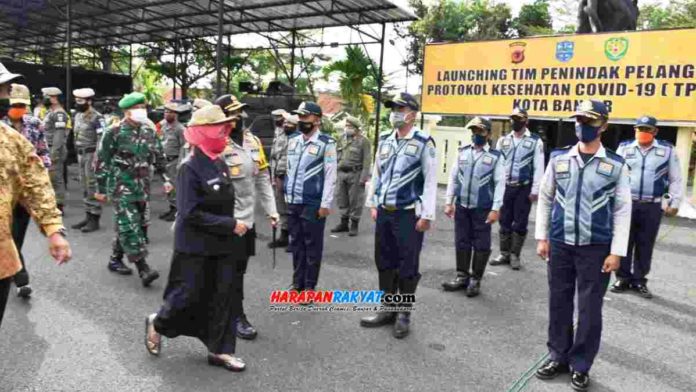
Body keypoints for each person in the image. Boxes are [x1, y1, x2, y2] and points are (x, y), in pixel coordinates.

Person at [534, 100, 631, 391]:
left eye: (588, 121)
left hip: (596, 247)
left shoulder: (615, 164)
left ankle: (580, 364)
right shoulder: (559, 158)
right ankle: (558, 357)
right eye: (578, 120)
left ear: (603, 126)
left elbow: (622, 209)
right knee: (559, 302)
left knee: (589, 309)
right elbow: (546, 197)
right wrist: (542, 237)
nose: (582, 126)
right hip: (561, 243)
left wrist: (617, 251)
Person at [144, 104, 246, 372]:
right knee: (187, 295)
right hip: (194, 245)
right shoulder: (189, 167)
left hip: (222, 244)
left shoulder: (219, 161)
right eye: (218, 127)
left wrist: (232, 226)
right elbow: (189, 213)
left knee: (224, 296)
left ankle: (220, 351)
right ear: (202, 132)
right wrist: (230, 224)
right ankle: (158, 323)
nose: (224, 132)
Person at [0, 62, 71, 329]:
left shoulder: (11, 139)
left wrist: (53, 230)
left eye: (6, 90)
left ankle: (21, 277)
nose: (5, 97)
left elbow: (35, 183)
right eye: (2, 90)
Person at [360, 92, 437, 339]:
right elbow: (378, 173)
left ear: (412, 114)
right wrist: (373, 203)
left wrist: (427, 215)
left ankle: (403, 313)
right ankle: (387, 308)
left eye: (399, 108)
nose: (394, 112)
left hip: (408, 215)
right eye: (393, 108)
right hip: (384, 212)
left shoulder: (424, 142)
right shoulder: (384, 140)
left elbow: (430, 181)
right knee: (384, 261)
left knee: (407, 264)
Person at [217, 94, 279, 340]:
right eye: (234, 112)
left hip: (247, 221)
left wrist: (271, 210)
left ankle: (230, 310)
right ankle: (235, 315)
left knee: (238, 270)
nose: (240, 116)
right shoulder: (216, 145)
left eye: (241, 111)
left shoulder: (252, 142)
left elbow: (262, 178)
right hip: (225, 221)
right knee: (227, 270)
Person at [95, 92, 171, 286]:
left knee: (138, 223)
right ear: (127, 112)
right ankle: (143, 268)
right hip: (121, 185)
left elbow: (158, 155)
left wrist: (166, 178)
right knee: (129, 224)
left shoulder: (149, 130)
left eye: (143, 108)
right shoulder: (114, 131)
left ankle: (115, 258)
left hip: (142, 186)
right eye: (137, 108)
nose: (142, 111)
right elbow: (102, 160)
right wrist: (101, 188)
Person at [612, 115, 682, 299]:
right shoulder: (624, 148)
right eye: (640, 129)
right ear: (635, 129)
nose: (643, 132)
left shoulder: (667, 150)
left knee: (645, 244)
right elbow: (615, 176)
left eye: (647, 129)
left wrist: (675, 202)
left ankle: (639, 280)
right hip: (628, 203)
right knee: (624, 242)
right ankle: (622, 278)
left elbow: (676, 179)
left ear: (655, 131)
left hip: (652, 205)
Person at [442, 117, 505, 297]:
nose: (476, 134)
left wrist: (495, 209)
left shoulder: (495, 157)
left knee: (481, 244)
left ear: (488, 134)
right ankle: (462, 276)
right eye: (474, 131)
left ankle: (475, 279)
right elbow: (453, 177)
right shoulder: (462, 152)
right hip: (462, 205)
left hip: (482, 208)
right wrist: (449, 202)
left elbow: (500, 184)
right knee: (461, 240)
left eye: (480, 131)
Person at [2, 83, 53, 299]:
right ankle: (21, 278)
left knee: (16, 237)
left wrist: (42, 172)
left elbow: (44, 151)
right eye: (15, 104)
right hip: (6, 193)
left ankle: (13, 271)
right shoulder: (2, 125)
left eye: (22, 105)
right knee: (7, 236)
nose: (18, 108)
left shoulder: (35, 123)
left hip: (26, 194)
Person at [285, 101, 337, 292]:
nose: (301, 120)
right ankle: (297, 283)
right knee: (296, 244)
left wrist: (325, 203)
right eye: (299, 116)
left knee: (312, 247)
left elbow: (331, 174)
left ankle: (309, 286)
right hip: (294, 201)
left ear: (316, 119)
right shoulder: (294, 141)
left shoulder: (326, 143)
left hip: (313, 202)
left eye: (305, 117)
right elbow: (290, 170)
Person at [490, 107, 545, 270]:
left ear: (526, 121)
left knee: (520, 222)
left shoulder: (535, 141)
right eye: (513, 118)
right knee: (504, 219)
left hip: (524, 188)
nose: (515, 122)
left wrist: (535, 190)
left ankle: (515, 255)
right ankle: (504, 253)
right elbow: (497, 165)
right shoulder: (503, 140)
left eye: (519, 119)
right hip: (506, 187)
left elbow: (538, 166)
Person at [71, 88, 106, 233]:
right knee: (84, 185)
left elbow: (101, 139)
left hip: (92, 155)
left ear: (89, 101)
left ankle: (95, 218)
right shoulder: (78, 115)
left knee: (92, 185)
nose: (77, 103)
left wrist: (97, 158)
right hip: (80, 154)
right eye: (76, 100)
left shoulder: (97, 117)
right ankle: (88, 215)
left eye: (80, 101)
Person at [331, 115, 372, 237]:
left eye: (349, 126)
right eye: (346, 126)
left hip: (356, 173)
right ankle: (344, 223)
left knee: (355, 200)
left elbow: (367, 160)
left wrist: (364, 177)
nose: (347, 128)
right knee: (341, 198)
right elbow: (336, 155)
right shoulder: (341, 139)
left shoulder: (364, 141)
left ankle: (354, 224)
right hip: (341, 173)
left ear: (356, 128)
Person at [42, 87, 70, 213]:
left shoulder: (59, 113)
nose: (44, 98)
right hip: (48, 147)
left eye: (47, 96)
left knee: (56, 178)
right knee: (49, 178)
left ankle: (59, 206)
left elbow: (59, 136)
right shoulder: (50, 112)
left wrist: (53, 153)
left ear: (54, 98)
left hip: (54, 148)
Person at [158, 101, 187, 222]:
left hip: (174, 161)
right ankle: (172, 207)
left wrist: (180, 163)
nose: (166, 114)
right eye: (165, 111)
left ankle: (176, 210)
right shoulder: (164, 127)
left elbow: (184, 147)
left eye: (169, 112)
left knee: (174, 187)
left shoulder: (180, 129)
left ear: (175, 114)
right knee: (168, 187)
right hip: (164, 161)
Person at [268, 108, 292, 249]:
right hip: (278, 174)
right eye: (275, 117)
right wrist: (273, 177)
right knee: (280, 206)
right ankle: (284, 236)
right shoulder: (277, 132)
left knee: (291, 207)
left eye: (279, 117)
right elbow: (274, 157)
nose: (277, 120)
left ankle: (293, 238)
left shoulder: (291, 133)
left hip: (287, 175)